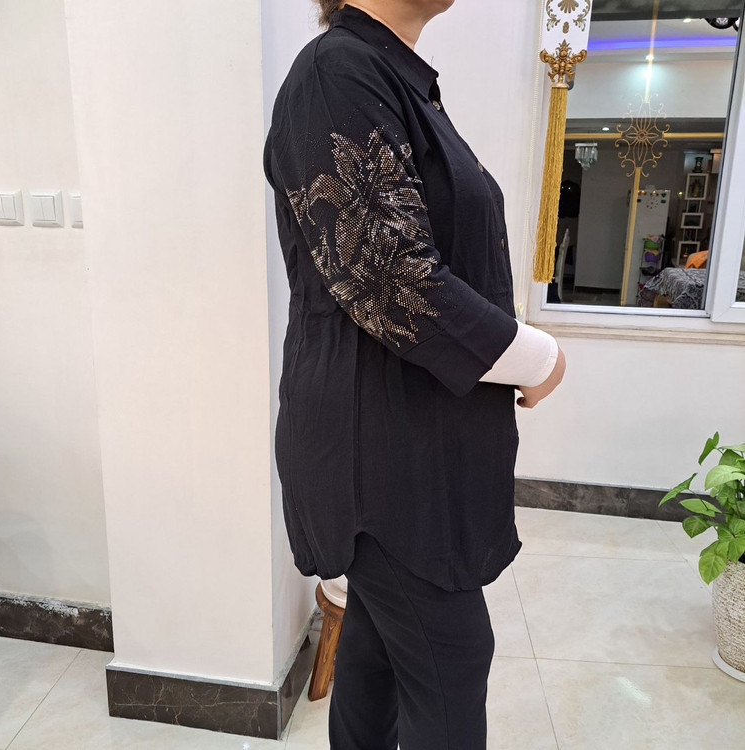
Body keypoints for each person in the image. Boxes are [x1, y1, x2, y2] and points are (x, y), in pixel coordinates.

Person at [262, 2, 566, 747]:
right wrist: (536, 356)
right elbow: (390, 277)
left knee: (377, 653)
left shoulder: (391, 79)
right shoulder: (336, 74)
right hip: (381, 453)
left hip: (410, 440)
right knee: (451, 655)